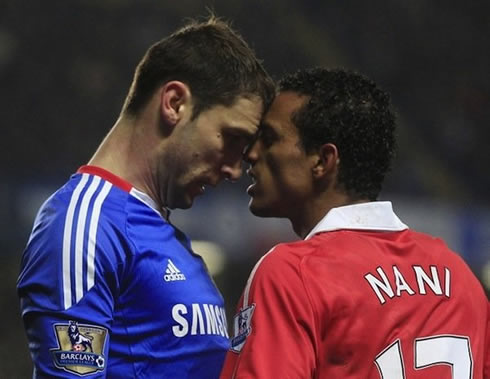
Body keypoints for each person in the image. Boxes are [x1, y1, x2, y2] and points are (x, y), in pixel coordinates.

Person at [17, 15, 274, 378]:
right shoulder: (85, 224)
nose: (234, 169)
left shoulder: (163, 234)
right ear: (174, 103)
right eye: (232, 138)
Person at [220, 68, 489, 378]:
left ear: (322, 161)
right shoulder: (459, 277)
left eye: (269, 139)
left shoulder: (292, 275)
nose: (251, 153)